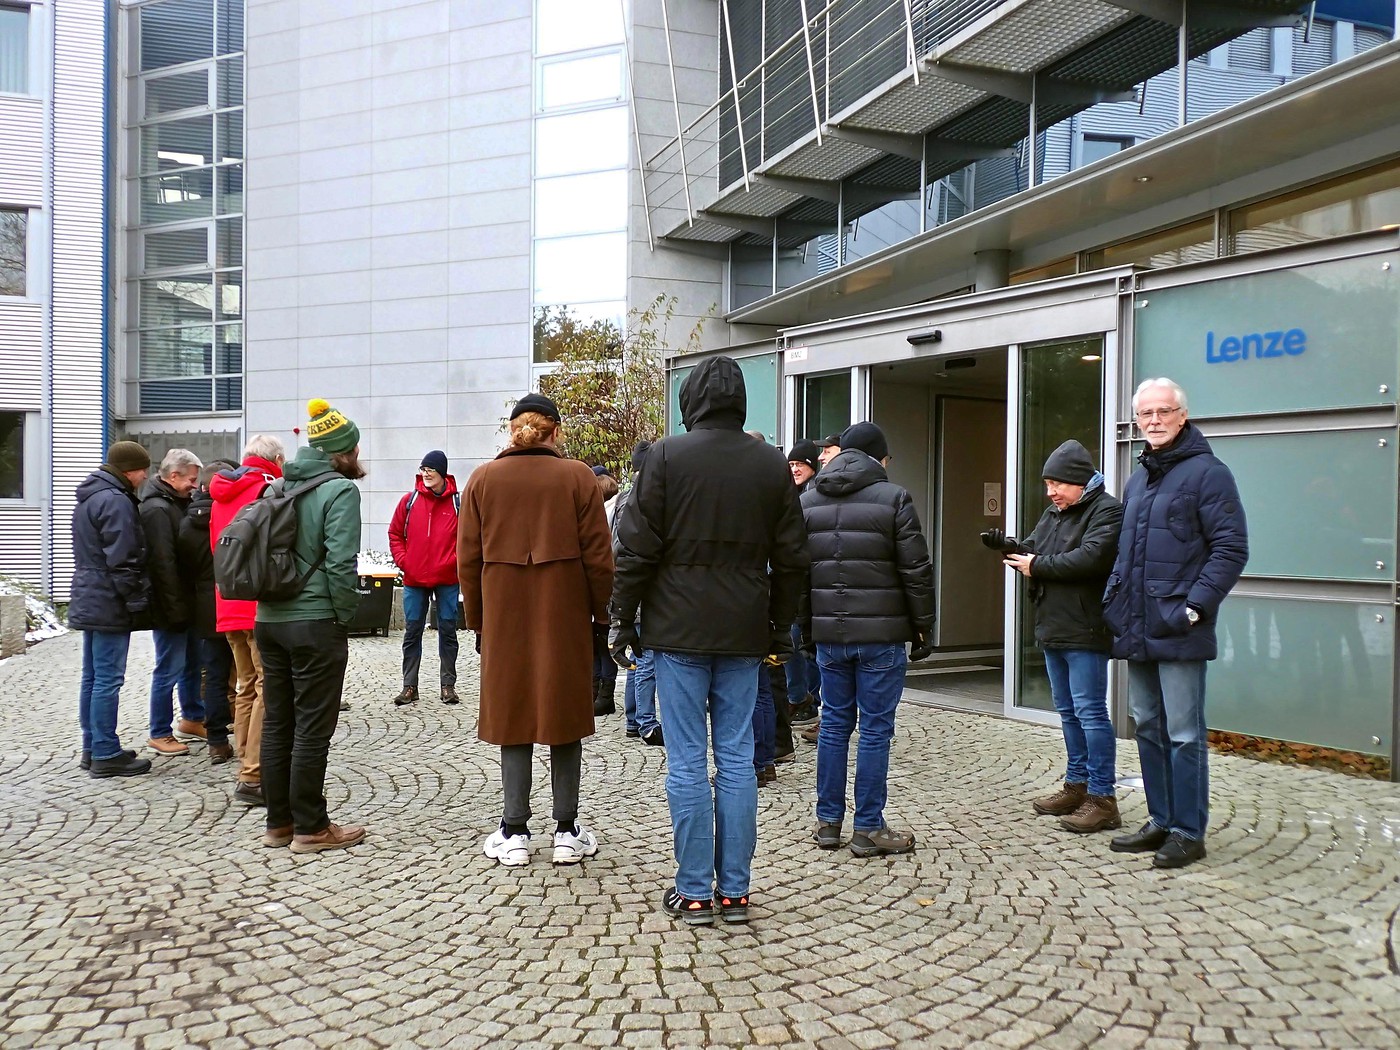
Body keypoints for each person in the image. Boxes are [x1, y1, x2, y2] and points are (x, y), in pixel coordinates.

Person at [611, 356, 807, 925]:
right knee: (739, 760)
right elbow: (793, 559)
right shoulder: (770, 464)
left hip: (677, 631)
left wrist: (623, 619)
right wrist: (779, 626)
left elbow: (637, 550)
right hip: (744, 631)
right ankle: (736, 890)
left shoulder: (667, 455)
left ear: (691, 399)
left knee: (688, 762)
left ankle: (695, 889)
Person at [459, 392, 614, 868]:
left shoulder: (482, 479)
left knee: (514, 717)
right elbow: (599, 559)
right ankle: (567, 831)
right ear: (556, 431)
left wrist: (479, 622)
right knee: (565, 716)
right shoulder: (577, 478)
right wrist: (599, 616)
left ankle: (514, 832)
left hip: (504, 618)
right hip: (564, 615)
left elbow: (467, 560)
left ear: (514, 430)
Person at [1103, 378, 1248, 869]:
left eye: (1164, 411)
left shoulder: (1209, 473)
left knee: (1184, 731)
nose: (1155, 420)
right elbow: (1128, 549)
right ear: (1137, 421)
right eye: (1146, 414)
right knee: (1147, 724)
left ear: (1182, 416)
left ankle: (1189, 830)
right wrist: (1114, 596)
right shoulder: (1139, 477)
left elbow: (1231, 548)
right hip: (1139, 622)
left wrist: (1196, 606)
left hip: (1180, 625)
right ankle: (1161, 820)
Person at [801, 421, 933, 857]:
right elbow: (916, 570)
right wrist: (924, 627)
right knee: (876, 731)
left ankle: (827, 823)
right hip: (881, 636)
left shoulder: (808, 502)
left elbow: (797, 575)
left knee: (835, 725)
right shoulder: (893, 497)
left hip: (830, 636)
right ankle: (869, 827)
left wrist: (804, 629)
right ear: (880, 459)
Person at [993, 439, 1124, 834]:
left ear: (1080, 481)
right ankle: (1077, 786)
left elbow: (1091, 557)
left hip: (1086, 628)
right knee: (1068, 712)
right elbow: (1034, 549)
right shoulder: (1055, 512)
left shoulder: (1108, 510)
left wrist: (1037, 565)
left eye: (1057, 484)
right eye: (1047, 483)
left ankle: (1103, 798)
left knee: (1091, 712)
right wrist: (1009, 547)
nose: (1050, 492)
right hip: (1053, 625)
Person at [255, 400, 366, 854]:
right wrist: (344, 615)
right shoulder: (340, 492)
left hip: (268, 620)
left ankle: (278, 823)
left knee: (279, 722)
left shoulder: (275, 488)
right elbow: (341, 564)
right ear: (341, 452)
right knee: (313, 728)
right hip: (314, 622)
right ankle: (312, 827)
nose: (359, 453)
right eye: (356, 447)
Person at [209, 434, 286, 806]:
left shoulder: (218, 493)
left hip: (226, 602)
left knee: (244, 685)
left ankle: (245, 761)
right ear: (276, 459)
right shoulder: (267, 490)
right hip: (255, 604)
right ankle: (254, 774)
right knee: (266, 688)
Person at [71, 441, 155, 778]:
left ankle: (93, 747)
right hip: (109, 599)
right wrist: (136, 599)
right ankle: (106, 752)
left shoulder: (91, 497)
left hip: (91, 594)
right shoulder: (116, 500)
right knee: (107, 678)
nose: (145, 475)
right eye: (142, 468)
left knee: (92, 677)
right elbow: (123, 557)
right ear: (128, 470)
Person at [139, 448, 205, 756]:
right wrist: (174, 607)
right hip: (170, 605)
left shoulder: (176, 503)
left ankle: (192, 717)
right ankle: (159, 731)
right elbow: (162, 563)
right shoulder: (156, 509)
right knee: (168, 668)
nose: (195, 485)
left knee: (193, 663)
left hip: (186, 600)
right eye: (191, 479)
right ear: (173, 475)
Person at [387, 450, 462, 707]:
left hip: (448, 579)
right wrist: (405, 562)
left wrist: (454, 561)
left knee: (448, 632)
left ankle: (448, 686)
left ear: (442, 473)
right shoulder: (409, 502)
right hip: (414, 580)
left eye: (431, 469)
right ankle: (409, 687)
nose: (426, 473)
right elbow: (395, 533)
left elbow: (468, 539)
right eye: (423, 469)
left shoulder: (457, 504)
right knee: (412, 632)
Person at [177, 461, 236, 767]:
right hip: (235, 600)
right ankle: (252, 732)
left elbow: (183, 568)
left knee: (213, 675)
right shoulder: (234, 514)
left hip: (205, 606)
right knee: (250, 673)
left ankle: (216, 741)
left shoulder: (187, 524)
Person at [612, 442, 661, 745]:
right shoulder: (643, 500)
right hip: (642, 587)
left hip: (629, 585)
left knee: (637, 656)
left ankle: (633, 718)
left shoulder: (621, 499)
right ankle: (645, 722)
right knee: (646, 659)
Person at [785, 440, 823, 732]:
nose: (795, 468)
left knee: (799, 644)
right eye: (792, 464)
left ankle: (806, 701)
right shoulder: (795, 494)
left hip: (806, 585)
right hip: (797, 584)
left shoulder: (813, 495)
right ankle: (802, 700)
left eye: (801, 464)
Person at [591, 466, 621, 716]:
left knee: (602, 641)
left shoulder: (609, 513)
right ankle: (597, 691)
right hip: (600, 585)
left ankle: (603, 694)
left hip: (606, 586)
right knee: (598, 641)